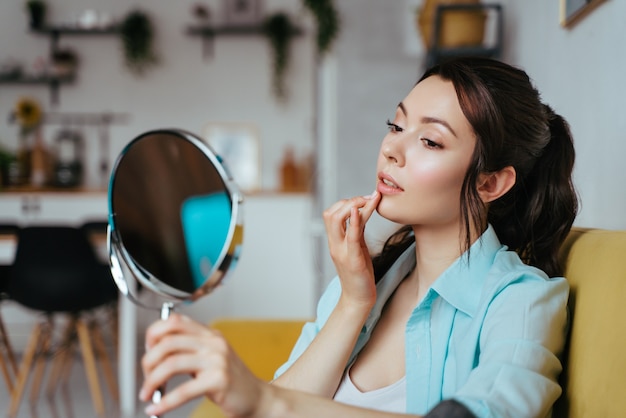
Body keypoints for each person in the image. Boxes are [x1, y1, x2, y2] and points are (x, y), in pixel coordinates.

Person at [139, 56, 578, 418]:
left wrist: (263, 397)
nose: (391, 149)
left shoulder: (519, 300)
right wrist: (353, 301)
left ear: (490, 184)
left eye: (429, 141)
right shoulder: (366, 283)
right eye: (396, 126)